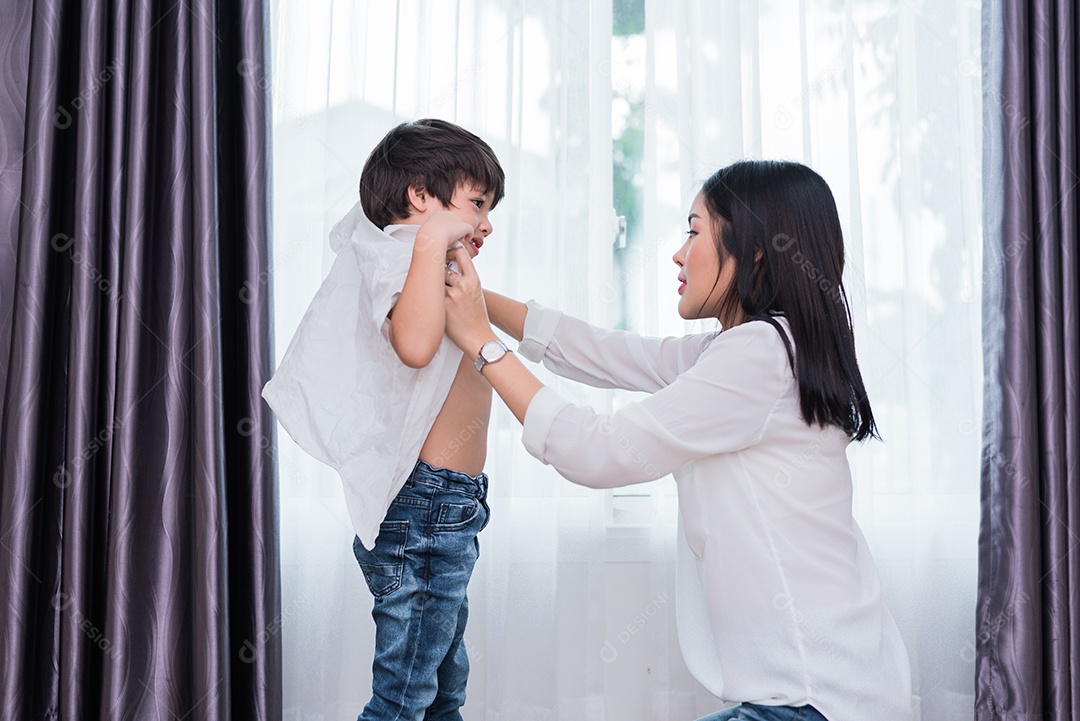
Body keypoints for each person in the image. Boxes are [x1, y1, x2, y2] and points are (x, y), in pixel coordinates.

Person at [441, 160, 914, 721]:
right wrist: (471, 296)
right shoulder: (755, 347)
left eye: (693, 230)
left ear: (756, 249)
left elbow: (599, 450)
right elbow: (606, 351)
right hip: (831, 691)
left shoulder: (757, 354)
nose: (678, 253)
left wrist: (480, 343)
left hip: (812, 700)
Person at [261, 118, 504, 721]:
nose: (487, 224)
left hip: (448, 508)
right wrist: (429, 244)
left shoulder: (422, 261)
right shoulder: (403, 253)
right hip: (426, 510)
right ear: (421, 195)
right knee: (405, 696)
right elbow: (415, 344)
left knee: (442, 687)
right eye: (477, 204)